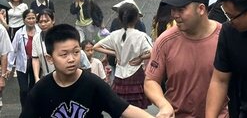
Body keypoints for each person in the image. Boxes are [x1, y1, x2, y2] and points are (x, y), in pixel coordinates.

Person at [21, 24, 152, 118]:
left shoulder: (93, 83)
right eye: (64, 54)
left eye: (76, 52)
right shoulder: (41, 89)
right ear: (50, 58)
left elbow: (125, 109)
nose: (71, 59)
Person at [144, 0, 225, 118]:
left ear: (201, 9)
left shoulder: (225, 38)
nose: (175, 15)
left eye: (181, 10)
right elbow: (151, 81)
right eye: (173, 9)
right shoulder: (165, 40)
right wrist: (163, 105)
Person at [94, 3, 153, 109]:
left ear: (120, 18)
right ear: (136, 18)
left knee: (121, 107)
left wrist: (116, 53)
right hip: (136, 74)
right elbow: (153, 52)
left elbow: (96, 47)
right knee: (137, 108)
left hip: (120, 75)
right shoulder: (141, 36)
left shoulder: (114, 35)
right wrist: (140, 58)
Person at [9, 8, 37, 107]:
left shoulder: (39, 31)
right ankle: (24, 109)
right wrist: (9, 66)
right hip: (22, 64)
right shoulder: (19, 33)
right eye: (29, 18)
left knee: (34, 88)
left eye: (33, 18)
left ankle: (32, 108)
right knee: (24, 89)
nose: (31, 20)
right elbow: (13, 50)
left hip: (36, 64)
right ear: (24, 20)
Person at [31, 9, 55, 83]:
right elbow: (35, 58)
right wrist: (37, 77)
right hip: (46, 76)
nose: (43, 24)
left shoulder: (62, 35)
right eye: (40, 22)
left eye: (46, 21)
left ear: (53, 21)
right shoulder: (36, 38)